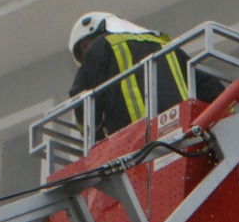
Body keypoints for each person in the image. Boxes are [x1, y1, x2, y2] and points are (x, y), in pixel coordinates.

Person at [67, 12, 225, 139]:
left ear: (85, 44)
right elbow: (211, 88)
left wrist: (96, 138)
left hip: (136, 140)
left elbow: (82, 98)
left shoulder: (102, 45)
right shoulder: (165, 45)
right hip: (183, 128)